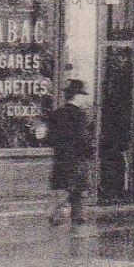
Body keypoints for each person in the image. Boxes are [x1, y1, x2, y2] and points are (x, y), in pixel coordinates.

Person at [45, 79, 96, 225]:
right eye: (82, 95)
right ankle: (73, 216)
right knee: (76, 188)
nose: (84, 98)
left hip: (61, 157)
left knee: (64, 186)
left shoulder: (57, 113)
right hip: (77, 158)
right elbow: (83, 137)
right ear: (77, 96)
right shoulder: (79, 115)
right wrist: (89, 150)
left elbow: (50, 137)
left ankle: (59, 215)